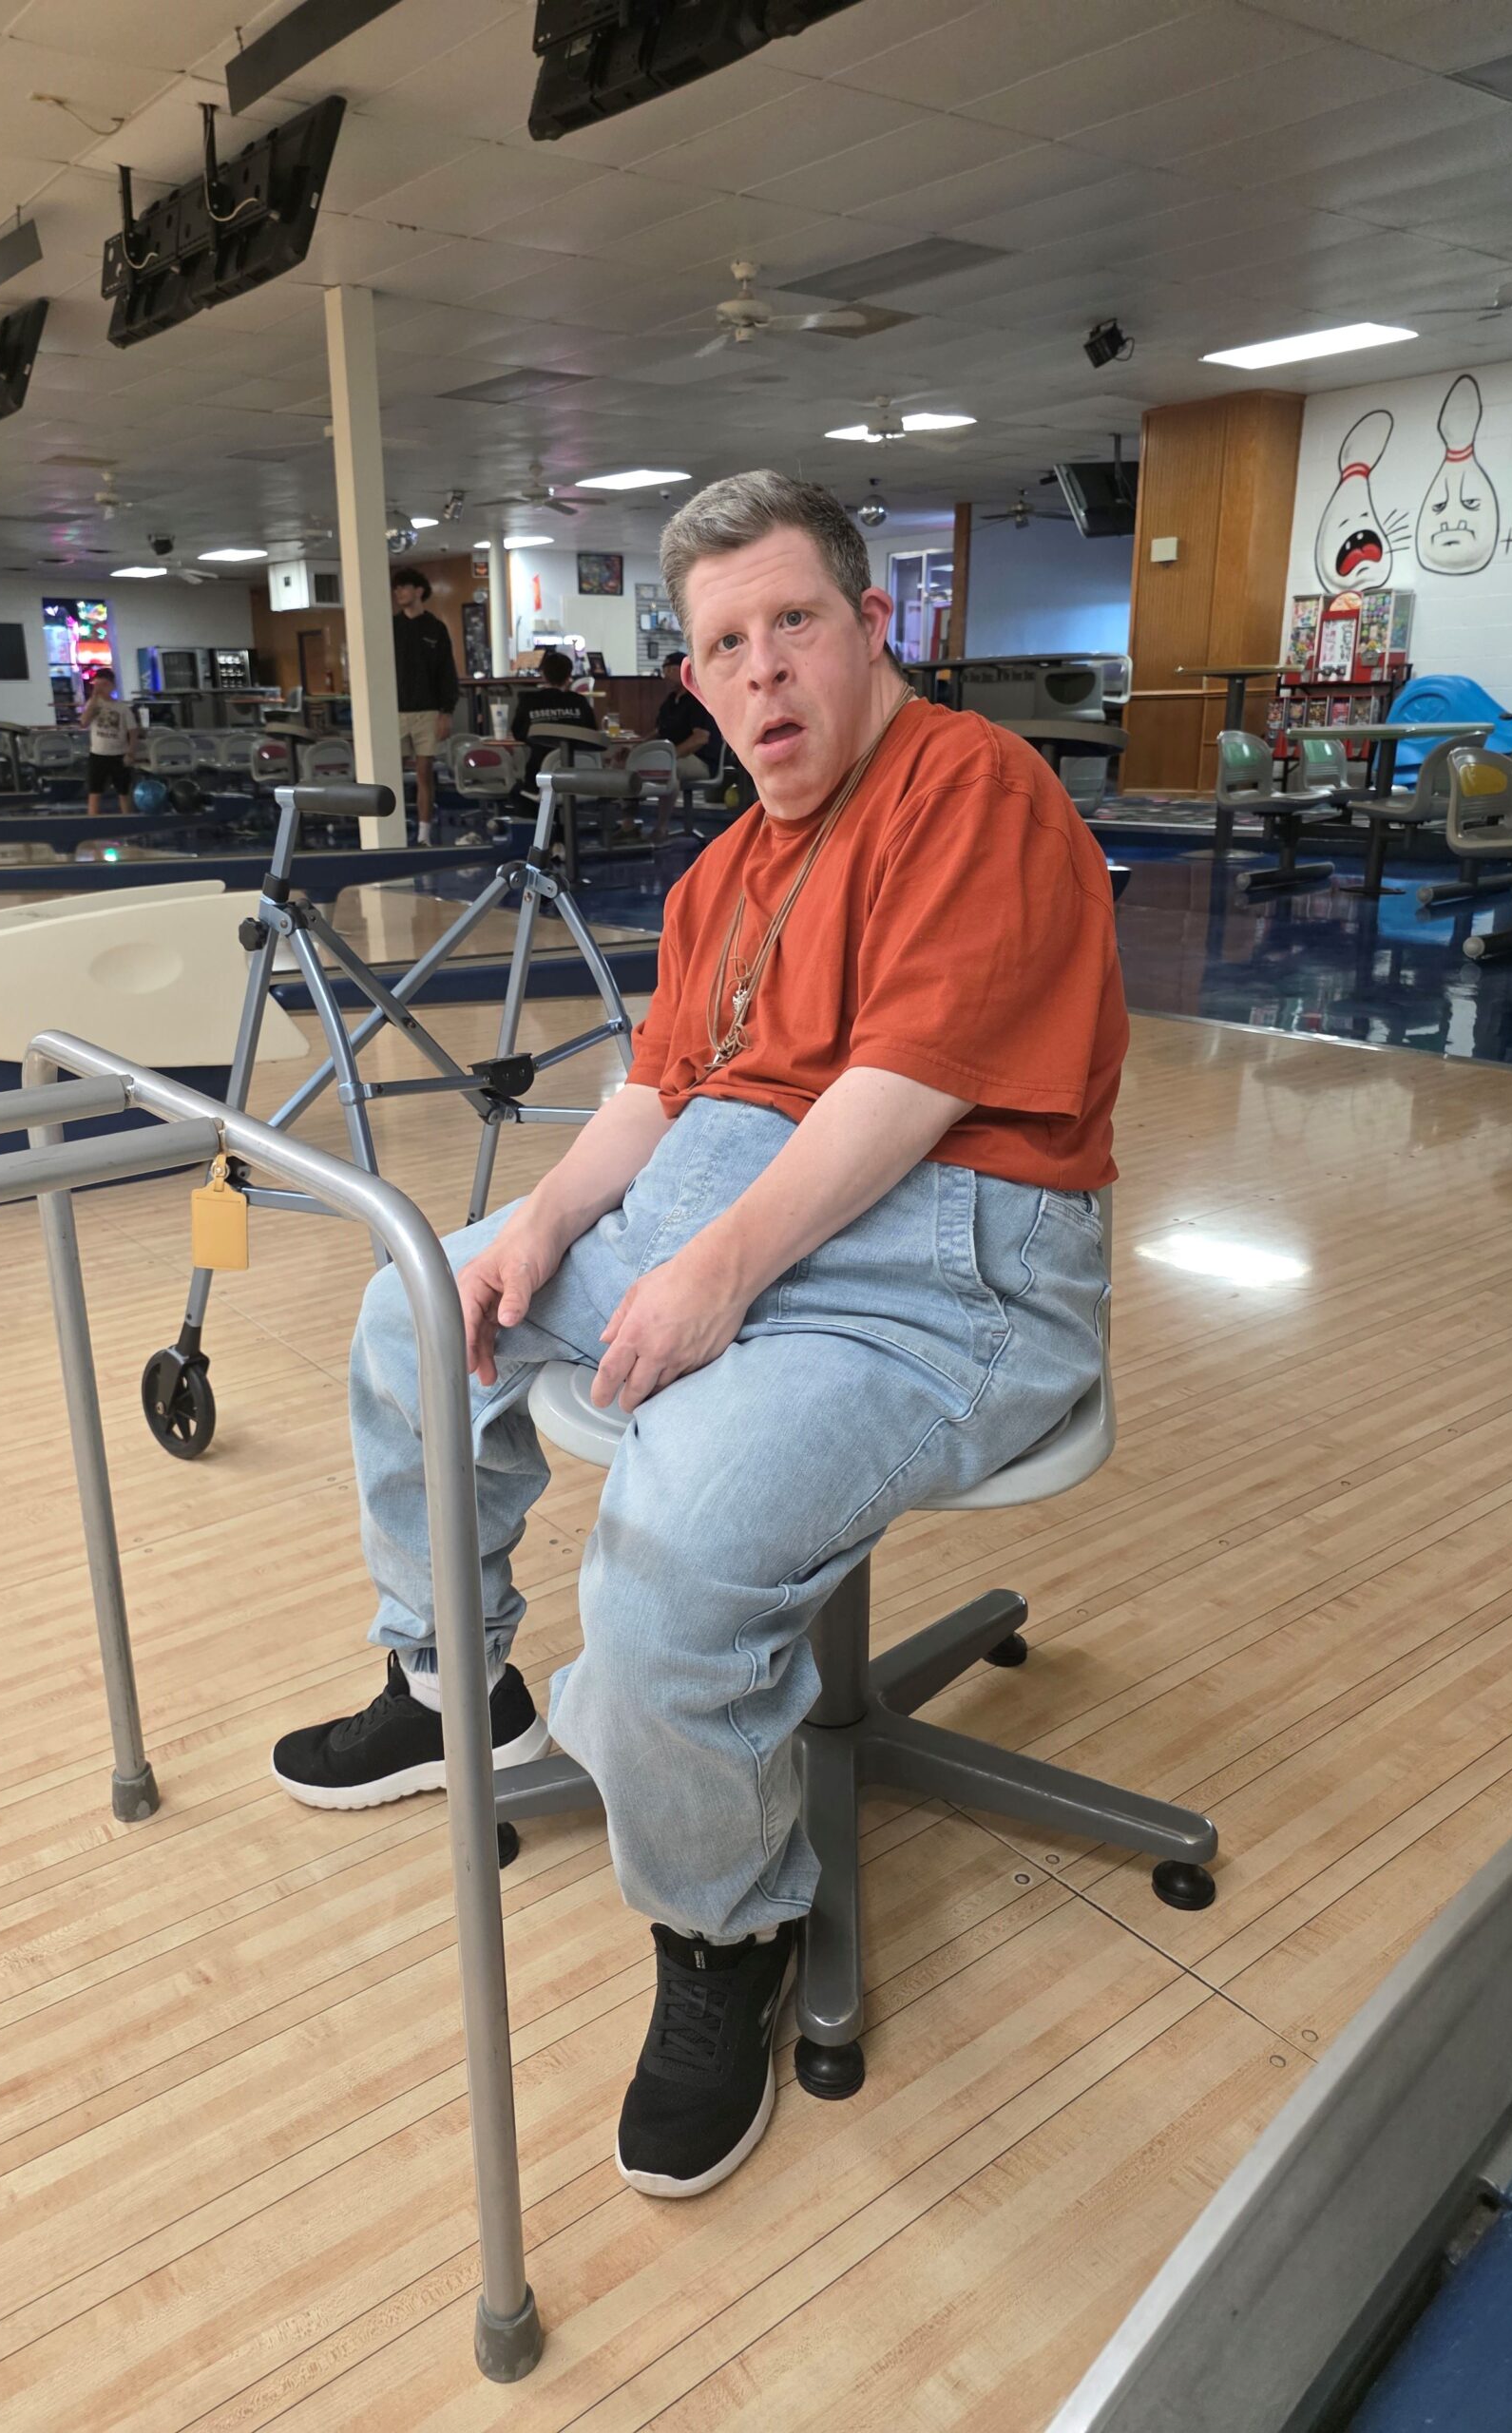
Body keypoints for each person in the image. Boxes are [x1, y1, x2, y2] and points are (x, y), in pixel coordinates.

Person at [275, 471, 1124, 2204]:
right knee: (417, 1304)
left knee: (665, 1547)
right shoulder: (728, 867)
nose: (762, 673)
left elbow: (908, 1090)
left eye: (793, 623)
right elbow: (659, 1091)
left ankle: (727, 1928)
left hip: (942, 1266)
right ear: (692, 678)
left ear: (867, 625)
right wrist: (541, 1227)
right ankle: (452, 1690)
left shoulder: (972, 786)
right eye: (725, 646)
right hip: (732, 1207)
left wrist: (718, 1273)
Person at [391, 566, 459, 845]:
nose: (398, 593)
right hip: (395, 711)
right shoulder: (391, 627)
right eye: (396, 589)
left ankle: (424, 835)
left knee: (424, 774)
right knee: (389, 773)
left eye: (403, 587)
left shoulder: (435, 628)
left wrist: (446, 712)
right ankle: (391, 831)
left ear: (418, 591)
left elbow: (447, 673)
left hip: (428, 710)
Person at [509, 646, 599, 793]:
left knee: (516, 793)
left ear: (543, 675)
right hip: (580, 777)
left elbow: (518, 733)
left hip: (539, 778)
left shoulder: (529, 701)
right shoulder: (579, 702)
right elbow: (591, 733)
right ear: (569, 676)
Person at [653, 648, 719, 786]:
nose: (667, 675)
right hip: (675, 757)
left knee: (656, 769)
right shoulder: (670, 701)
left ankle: (665, 801)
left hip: (701, 760)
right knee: (634, 763)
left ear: (686, 671)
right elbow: (658, 731)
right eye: (665, 671)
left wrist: (671, 755)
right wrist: (635, 750)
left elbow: (701, 738)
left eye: (671, 670)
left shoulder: (698, 698)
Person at [81, 666, 140, 815]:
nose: (101, 688)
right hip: (98, 754)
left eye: (105, 685)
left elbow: (133, 732)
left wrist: (130, 753)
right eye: (98, 685)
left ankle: (127, 820)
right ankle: (93, 822)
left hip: (119, 754)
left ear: (112, 686)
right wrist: (94, 698)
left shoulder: (122, 708)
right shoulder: (93, 704)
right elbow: (84, 722)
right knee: (95, 792)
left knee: (123, 792)